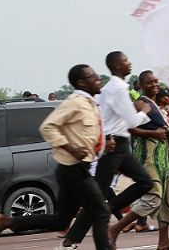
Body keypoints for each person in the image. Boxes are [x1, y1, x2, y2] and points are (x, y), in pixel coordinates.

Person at [0, 65, 112, 249]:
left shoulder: (90, 103)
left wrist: (104, 145)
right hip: (73, 169)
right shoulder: (75, 102)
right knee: (101, 212)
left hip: (74, 169)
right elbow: (47, 127)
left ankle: (7, 222)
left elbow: (86, 133)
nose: (98, 79)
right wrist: (72, 148)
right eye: (93, 76)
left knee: (61, 221)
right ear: (81, 82)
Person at [60, 52, 156, 250]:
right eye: (126, 61)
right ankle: (71, 241)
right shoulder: (118, 89)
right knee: (99, 196)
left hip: (119, 145)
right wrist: (145, 111)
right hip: (112, 146)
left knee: (144, 183)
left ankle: (100, 214)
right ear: (117, 66)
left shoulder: (113, 88)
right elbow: (131, 121)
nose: (130, 63)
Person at [108, 71, 169, 249]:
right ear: (141, 85)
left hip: (163, 156)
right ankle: (115, 229)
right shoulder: (140, 103)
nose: (154, 85)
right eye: (149, 82)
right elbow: (127, 127)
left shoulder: (155, 105)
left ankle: (163, 241)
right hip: (149, 156)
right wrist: (153, 133)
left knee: (167, 198)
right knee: (154, 197)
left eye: (156, 81)